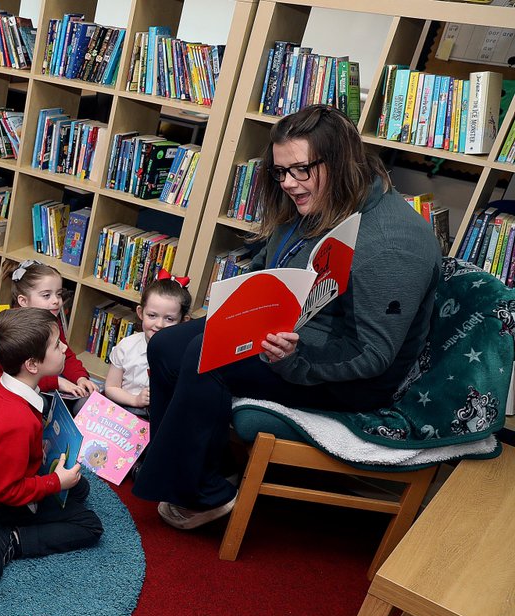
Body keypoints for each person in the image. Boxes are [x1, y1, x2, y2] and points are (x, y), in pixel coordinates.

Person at [133, 105, 441, 529]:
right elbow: (278, 264)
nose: (289, 183)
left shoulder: (391, 245)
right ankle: (204, 469)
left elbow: (373, 355)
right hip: (293, 331)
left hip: (347, 377)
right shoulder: (325, 198)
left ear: (340, 162)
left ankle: (203, 494)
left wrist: (295, 361)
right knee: (167, 344)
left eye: (300, 170)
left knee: (206, 356)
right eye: (280, 171)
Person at [0, 308, 103, 567]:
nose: (64, 348)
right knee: (89, 525)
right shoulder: (17, 422)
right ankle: (12, 539)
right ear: (32, 364)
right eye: (57, 345)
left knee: (81, 488)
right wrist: (55, 482)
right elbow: (6, 491)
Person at [0, 259, 99, 399]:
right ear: (23, 301)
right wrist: (58, 382)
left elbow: (65, 354)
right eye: (46, 295)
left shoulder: (51, 321)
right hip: (1, 384)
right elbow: (15, 377)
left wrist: (80, 377)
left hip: (34, 377)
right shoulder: (12, 330)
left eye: (59, 294)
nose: (56, 301)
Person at [103, 273, 191, 416]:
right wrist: (135, 400)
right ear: (140, 312)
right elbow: (111, 388)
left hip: (160, 417)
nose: (159, 324)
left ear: (183, 321)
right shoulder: (126, 346)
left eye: (169, 319)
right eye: (152, 315)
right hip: (125, 409)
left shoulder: (184, 356)